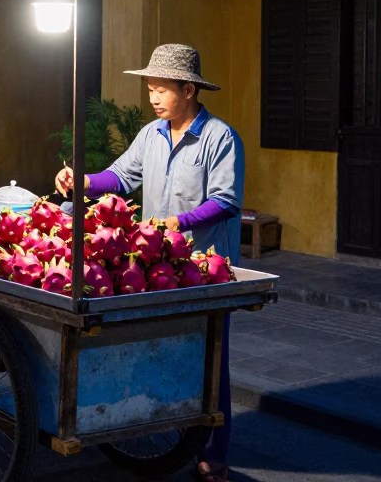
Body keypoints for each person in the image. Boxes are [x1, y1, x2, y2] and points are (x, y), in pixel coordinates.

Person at [55, 43, 243, 482]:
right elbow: (120, 177)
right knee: (158, 345)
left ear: (189, 89)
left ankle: (215, 453)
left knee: (212, 360)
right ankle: (161, 428)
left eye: (162, 89)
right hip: (157, 264)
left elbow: (226, 201)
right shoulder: (150, 135)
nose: (154, 98)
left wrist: (179, 220)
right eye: (151, 89)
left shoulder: (219, 137)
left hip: (203, 267)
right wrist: (83, 180)